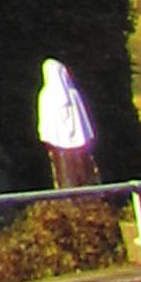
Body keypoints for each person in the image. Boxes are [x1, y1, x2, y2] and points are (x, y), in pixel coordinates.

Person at [38, 56, 98, 188]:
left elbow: (45, 124)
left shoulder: (47, 95)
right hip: (70, 148)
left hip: (63, 148)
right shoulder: (71, 94)